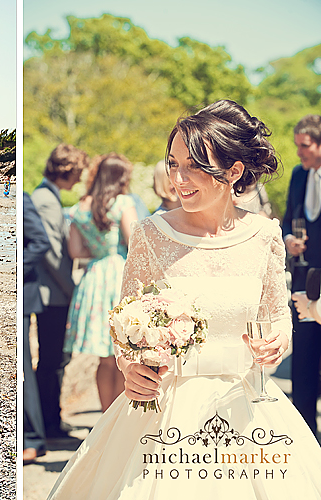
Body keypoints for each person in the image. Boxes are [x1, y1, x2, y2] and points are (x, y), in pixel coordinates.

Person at [49, 99, 321, 497]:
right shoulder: (150, 234)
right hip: (163, 411)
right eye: (174, 164)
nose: (179, 178)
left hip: (247, 407)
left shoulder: (265, 235)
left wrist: (278, 341)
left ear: (233, 171)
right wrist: (129, 365)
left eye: (194, 166)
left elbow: (278, 318)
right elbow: (125, 324)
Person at [64, 153, 137, 412]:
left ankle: (107, 414)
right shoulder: (122, 203)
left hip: (94, 277)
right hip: (118, 273)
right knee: (124, 353)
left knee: (104, 359)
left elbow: (75, 252)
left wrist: (97, 252)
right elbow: (134, 242)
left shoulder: (79, 208)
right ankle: (121, 415)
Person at [31, 143, 87, 439]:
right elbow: (52, 254)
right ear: (67, 170)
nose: (79, 179)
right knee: (52, 361)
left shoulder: (48, 197)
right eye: (77, 172)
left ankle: (51, 419)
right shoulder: (46, 201)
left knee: (54, 360)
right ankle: (49, 423)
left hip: (52, 291)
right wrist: (72, 288)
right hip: (51, 293)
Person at [283, 113, 321, 436]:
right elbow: (286, 220)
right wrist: (288, 241)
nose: (299, 153)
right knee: (304, 354)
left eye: (304, 146)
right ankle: (304, 433)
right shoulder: (297, 175)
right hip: (302, 281)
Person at [23, 193, 51, 464]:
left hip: (24, 293)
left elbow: (41, 242)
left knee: (24, 370)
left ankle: (33, 439)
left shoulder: (23, 198)